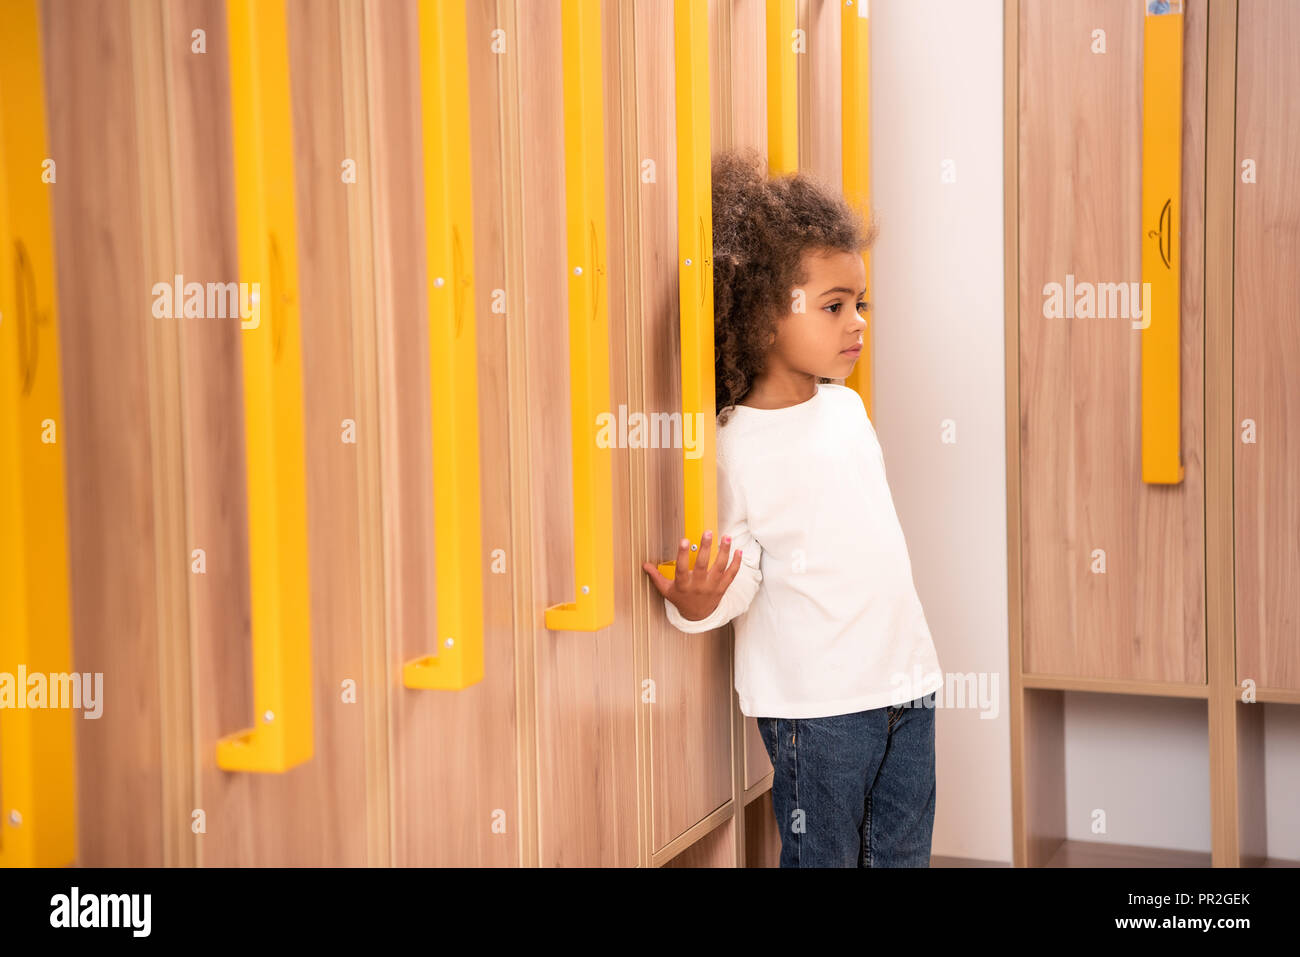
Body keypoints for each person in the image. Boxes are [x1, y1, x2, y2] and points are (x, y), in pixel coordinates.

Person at [642, 147, 944, 868]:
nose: (858, 322)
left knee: (902, 858)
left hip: (909, 684)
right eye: (835, 305)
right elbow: (741, 575)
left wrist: (915, 679)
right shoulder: (733, 443)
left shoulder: (847, 410)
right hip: (820, 710)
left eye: (860, 303)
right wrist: (694, 602)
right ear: (762, 313)